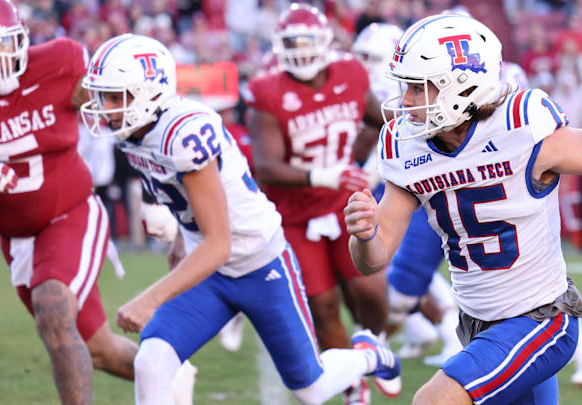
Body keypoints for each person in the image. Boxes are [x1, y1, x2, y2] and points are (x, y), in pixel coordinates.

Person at [344, 14, 582, 405]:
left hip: (540, 319)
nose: (406, 102)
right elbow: (374, 258)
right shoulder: (407, 147)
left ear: (459, 86)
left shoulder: (520, 127)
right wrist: (363, 235)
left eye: (418, 88)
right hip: (477, 324)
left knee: (433, 400)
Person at [80, 33, 400, 405]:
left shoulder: (184, 134)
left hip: (257, 263)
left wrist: (150, 299)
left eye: (118, 97)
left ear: (152, 92)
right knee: (151, 361)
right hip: (210, 272)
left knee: (310, 389)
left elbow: (220, 244)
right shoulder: (134, 131)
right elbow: (187, 200)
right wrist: (181, 239)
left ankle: (367, 354)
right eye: (104, 97)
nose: (107, 108)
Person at [0, 1, 137, 403]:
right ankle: (170, 378)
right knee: (99, 349)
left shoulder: (60, 61)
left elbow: (117, 103)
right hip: (16, 237)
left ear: (20, 40)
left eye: (0, 45)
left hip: (69, 212)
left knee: (52, 305)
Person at [246, 4, 396, 401]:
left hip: (344, 203)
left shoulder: (350, 74)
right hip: (294, 214)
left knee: (372, 290)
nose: (301, 50)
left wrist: (380, 163)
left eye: (308, 41)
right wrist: (325, 175)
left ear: (326, 42)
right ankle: (353, 387)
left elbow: (386, 120)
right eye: (293, 42)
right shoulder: (267, 92)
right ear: (279, 46)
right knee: (323, 306)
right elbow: (267, 167)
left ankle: (373, 343)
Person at [352, 21, 463, 367]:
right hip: (394, 181)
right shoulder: (385, 92)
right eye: (363, 55)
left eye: (373, 56)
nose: (366, 62)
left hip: (415, 184)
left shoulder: (410, 99)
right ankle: (421, 332)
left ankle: (380, 343)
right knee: (409, 270)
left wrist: (364, 176)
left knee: (409, 274)